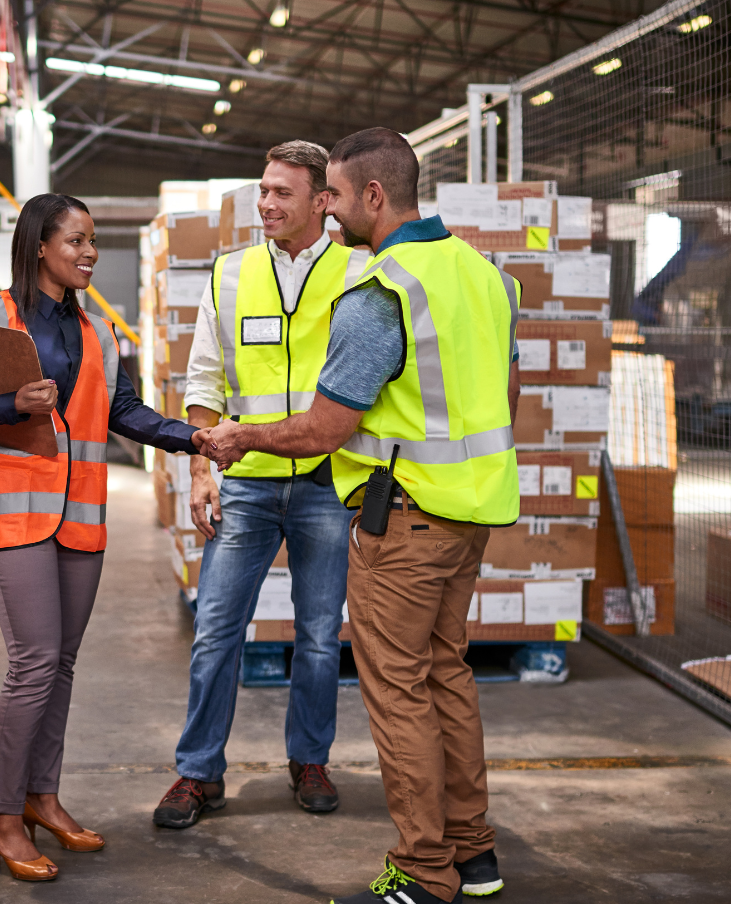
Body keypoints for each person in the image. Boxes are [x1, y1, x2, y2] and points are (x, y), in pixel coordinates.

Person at [203, 128, 522, 904]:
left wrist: (238, 436)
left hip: (404, 519)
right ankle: (474, 855)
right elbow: (504, 398)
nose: (329, 210)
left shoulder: (384, 290)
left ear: (373, 196)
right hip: (468, 515)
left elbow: (322, 429)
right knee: (448, 677)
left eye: (335, 196)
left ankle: (422, 871)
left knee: (399, 693)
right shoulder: (483, 275)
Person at [0, 193, 207, 882]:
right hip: (12, 514)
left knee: (62, 664)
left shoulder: (98, 333)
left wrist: (195, 438)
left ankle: (40, 797)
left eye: (91, 241)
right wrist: (8, 405)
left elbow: (124, 412)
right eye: (76, 241)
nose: (88, 253)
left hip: (78, 515)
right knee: (34, 660)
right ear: (41, 246)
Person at [152, 141, 371, 830]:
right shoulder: (231, 271)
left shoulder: (360, 273)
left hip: (323, 484)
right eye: (263, 191)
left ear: (321, 201)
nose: (267, 204)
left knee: (315, 634)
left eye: (282, 193)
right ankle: (198, 772)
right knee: (216, 629)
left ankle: (310, 759)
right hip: (244, 481)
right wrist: (198, 469)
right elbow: (205, 378)